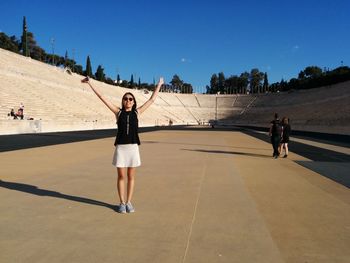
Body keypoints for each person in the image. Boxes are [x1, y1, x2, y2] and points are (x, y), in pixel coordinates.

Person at [81, 76, 164, 214]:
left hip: (133, 148)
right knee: (121, 176)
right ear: (123, 101)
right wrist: (90, 83)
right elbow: (102, 97)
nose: (128, 101)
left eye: (130, 99)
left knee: (131, 176)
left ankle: (129, 202)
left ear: (134, 102)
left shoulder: (137, 112)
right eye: (125, 98)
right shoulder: (118, 112)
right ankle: (122, 202)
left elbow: (152, 100)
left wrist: (159, 85)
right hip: (121, 148)